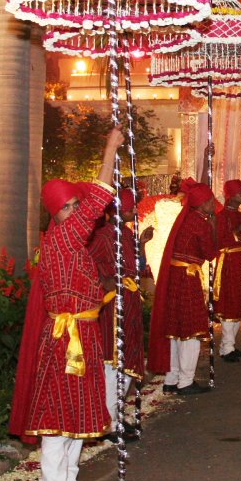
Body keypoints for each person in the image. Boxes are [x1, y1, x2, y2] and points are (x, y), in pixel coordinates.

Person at [9, 128, 124, 481]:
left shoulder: (66, 238)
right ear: (57, 213)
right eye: (71, 206)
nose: (79, 211)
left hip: (81, 334)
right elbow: (100, 197)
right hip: (66, 340)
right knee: (57, 423)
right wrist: (109, 147)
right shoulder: (63, 237)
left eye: (77, 205)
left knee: (74, 418)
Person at [89, 187, 152, 438]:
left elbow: (136, 266)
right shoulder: (103, 236)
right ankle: (109, 420)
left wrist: (142, 244)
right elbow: (90, 265)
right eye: (129, 207)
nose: (134, 211)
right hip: (113, 306)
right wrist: (106, 282)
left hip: (130, 304)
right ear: (117, 209)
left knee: (128, 360)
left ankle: (117, 414)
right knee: (113, 363)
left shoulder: (126, 233)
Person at [147, 182, 218, 395]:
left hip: (174, 277)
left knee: (175, 330)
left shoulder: (185, 218)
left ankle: (172, 378)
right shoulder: (201, 223)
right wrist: (213, 227)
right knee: (191, 330)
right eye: (211, 201)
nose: (214, 204)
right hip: (187, 278)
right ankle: (186, 381)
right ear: (203, 204)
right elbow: (209, 253)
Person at [214, 179, 241, 362]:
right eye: (240, 191)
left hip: (240, 261)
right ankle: (226, 348)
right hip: (228, 262)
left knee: (238, 303)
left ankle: (231, 345)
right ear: (231, 194)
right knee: (230, 303)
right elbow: (221, 241)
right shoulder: (221, 216)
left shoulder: (240, 214)